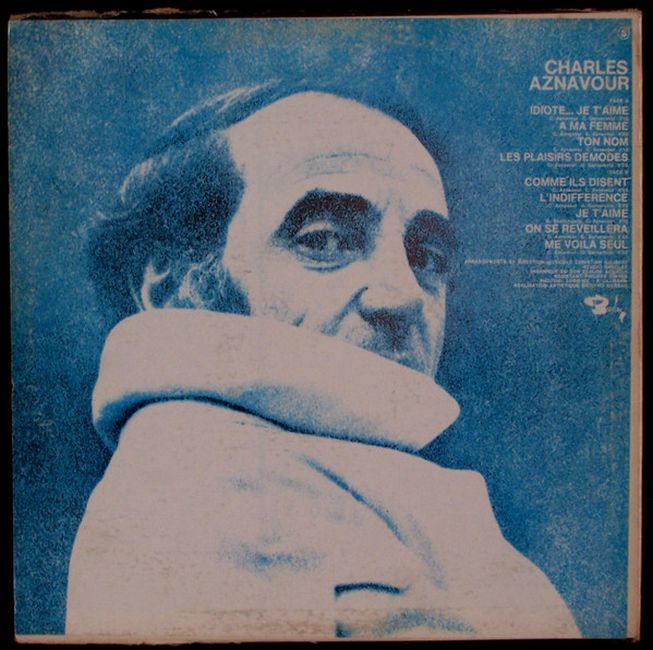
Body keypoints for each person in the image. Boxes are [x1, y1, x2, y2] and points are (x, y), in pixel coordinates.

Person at [66, 83, 580, 640]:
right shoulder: (206, 489)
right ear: (174, 288)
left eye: (427, 256)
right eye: (324, 240)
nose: (404, 295)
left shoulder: (338, 482)